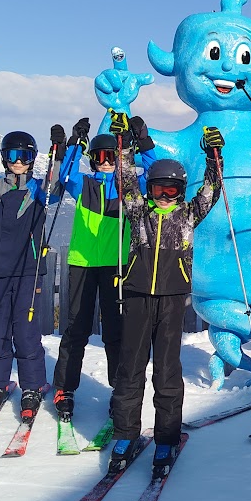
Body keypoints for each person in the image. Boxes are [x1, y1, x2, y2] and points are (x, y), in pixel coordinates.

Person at [107, 122, 223, 477]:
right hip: (138, 296)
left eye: (172, 190)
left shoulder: (188, 215)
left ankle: (166, 438)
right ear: (151, 189)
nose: (165, 196)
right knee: (130, 367)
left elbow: (212, 190)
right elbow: (126, 179)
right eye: (159, 188)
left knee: (167, 370)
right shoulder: (138, 211)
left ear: (180, 191)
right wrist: (124, 146)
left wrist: (214, 155)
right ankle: (125, 434)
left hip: (172, 300)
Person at [0, 120, 64, 428]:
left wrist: (58, 154)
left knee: (26, 331)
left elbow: (56, 184)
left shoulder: (39, 190)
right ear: (4, 157)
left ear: (32, 159)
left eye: (25, 156)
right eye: (13, 155)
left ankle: (33, 385)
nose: (19, 162)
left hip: (28, 270)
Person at [51, 116, 156, 423]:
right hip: (83, 263)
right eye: (99, 156)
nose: (106, 162)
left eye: (111, 156)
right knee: (76, 328)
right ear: (92, 159)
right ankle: (65, 388)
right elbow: (65, 174)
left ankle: (119, 388)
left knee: (115, 331)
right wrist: (75, 143)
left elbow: (153, 172)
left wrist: (143, 141)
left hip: (117, 265)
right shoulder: (84, 185)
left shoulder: (128, 187)